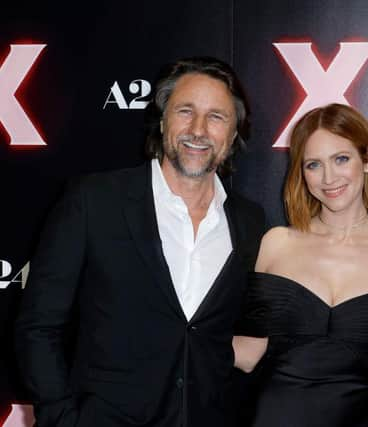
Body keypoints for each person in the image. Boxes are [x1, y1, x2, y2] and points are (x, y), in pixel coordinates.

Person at [14, 57, 265, 427]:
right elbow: (37, 327)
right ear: (163, 120)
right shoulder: (94, 201)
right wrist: (63, 418)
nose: (198, 129)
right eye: (185, 111)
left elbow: (261, 335)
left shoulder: (249, 222)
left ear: (233, 133)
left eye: (216, 117)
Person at [232, 103, 368, 427]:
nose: (329, 178)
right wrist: (181, 341)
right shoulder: (277, 242)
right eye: (313, 164)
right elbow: (249, 351)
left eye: (341, 159)